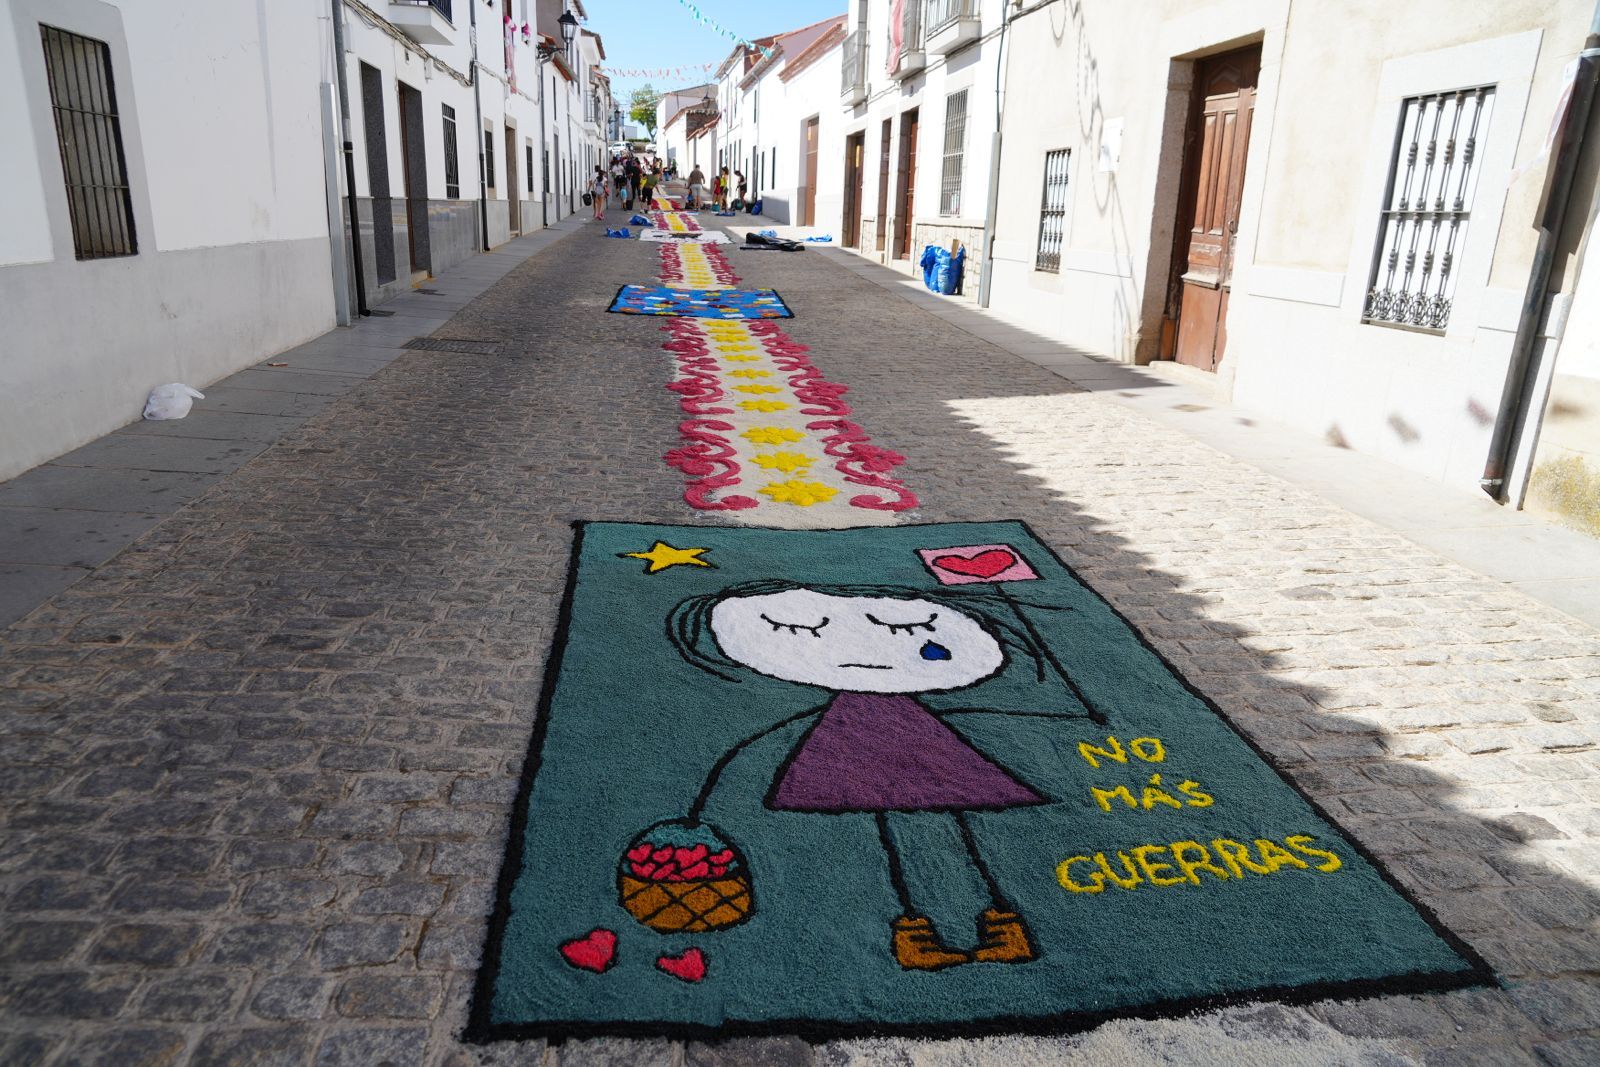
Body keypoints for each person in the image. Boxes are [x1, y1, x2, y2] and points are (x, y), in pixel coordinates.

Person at [665, 580, 1096, 971]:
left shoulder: (902, 705)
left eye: (908, 628)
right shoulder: (846, 707)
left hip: (922, 743)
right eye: (796, 629)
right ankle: (920, 932)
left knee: (949, 827)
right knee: (911, 833)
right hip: (861, 743)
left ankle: (995, 927)